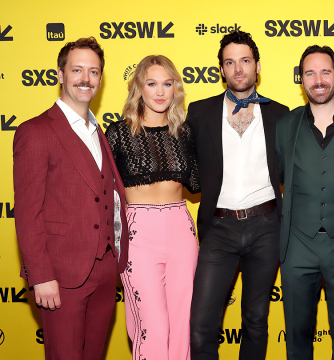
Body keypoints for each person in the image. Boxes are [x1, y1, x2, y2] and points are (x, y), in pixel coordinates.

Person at [13, 37, 129, 360]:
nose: (85, 78)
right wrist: (41, 276)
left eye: (93, 72)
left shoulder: (98, 132)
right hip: (61, 277)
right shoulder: (35, 132)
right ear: (61, 75)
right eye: (77, 70)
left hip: (105, 272)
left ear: (100, 79)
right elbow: (27, 213)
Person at [187, 30, 289, 360]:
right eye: (230, 63)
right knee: (202, 326)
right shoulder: (199, 112)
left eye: (245, 61)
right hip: (219, 229)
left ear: (257, 66)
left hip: (267, 226)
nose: (238, 69)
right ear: (221, 70)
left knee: (256, 320)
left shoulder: (280, 114)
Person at [105, 54, 199, 360]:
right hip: (138, 232)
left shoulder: (184, 133)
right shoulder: (118, 134)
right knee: (152, 327)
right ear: (139, 89)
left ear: (175, 89)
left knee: (182, 324)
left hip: (181, 228)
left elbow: (198, 182)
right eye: (152, 83)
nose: (160, 92)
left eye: (167, 84)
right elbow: (102, 190)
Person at [275, 45, 334, 360]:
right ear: (301, 80)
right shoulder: (286, 125)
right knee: (297, 336)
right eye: (310, 73)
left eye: (325, 72)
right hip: (298, 244)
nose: (318, 80)